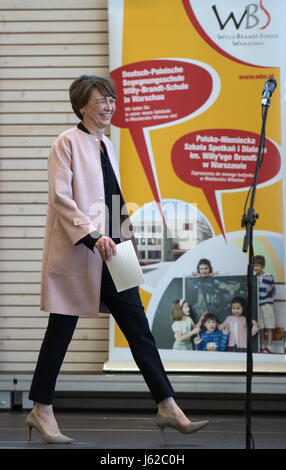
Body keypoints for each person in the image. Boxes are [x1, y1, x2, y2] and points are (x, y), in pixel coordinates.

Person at [26, 75, 208, 444]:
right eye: (101, 101)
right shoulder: (67, 142)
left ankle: (167, 406)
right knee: (60, 333)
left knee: (138, 328)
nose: (109, 106)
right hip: (81, 251)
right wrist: (92, 236)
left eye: (111, 100)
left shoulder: (106, 143)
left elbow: (111, 197)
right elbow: (61, 198)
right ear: (81, 106)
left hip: (115, 251)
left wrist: (126, 238)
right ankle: (41, 411)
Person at [253, 255, 276, 353]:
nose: (255, 268)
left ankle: (269, 347)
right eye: (254, 265)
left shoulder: (269, 276)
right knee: (261, 327)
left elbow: (273, 289)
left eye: (257, 265)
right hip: (258, 304)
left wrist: (270, 290)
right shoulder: (253, 277)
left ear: (263, 266)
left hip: (267, 304)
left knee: (269, 326)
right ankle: (261, 346)